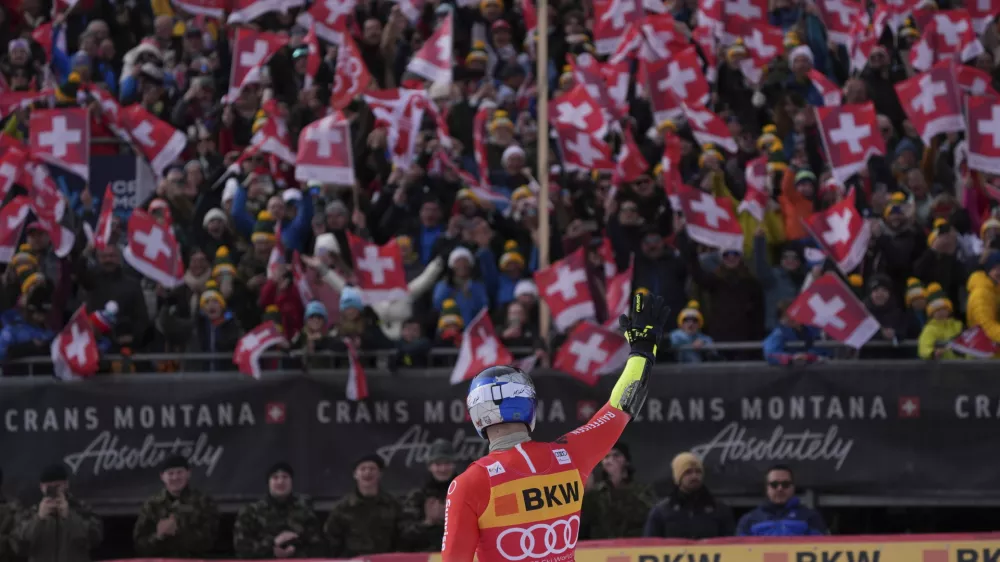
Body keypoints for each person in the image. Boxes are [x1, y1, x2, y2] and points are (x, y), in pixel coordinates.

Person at [441, 293, 670, 562]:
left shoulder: (469, 484)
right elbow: (622, 407)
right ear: (529, 407)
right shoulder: (571, 457)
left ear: (477, 416)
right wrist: (643, 353)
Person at [643, 452, 734, 539]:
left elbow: (732, 546)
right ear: (678, 477)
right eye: (688, 472)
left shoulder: (720, 510)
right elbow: (650, 546)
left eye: (698, 472)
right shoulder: (661, 512)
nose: (694, 476)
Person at [736, 464, 828, 536]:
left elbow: (821, 549)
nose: (780, 489)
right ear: (767, 488)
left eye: (785, 484)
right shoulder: (749, 520)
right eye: (774, 484)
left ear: (793, 487)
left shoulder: (810, 517)